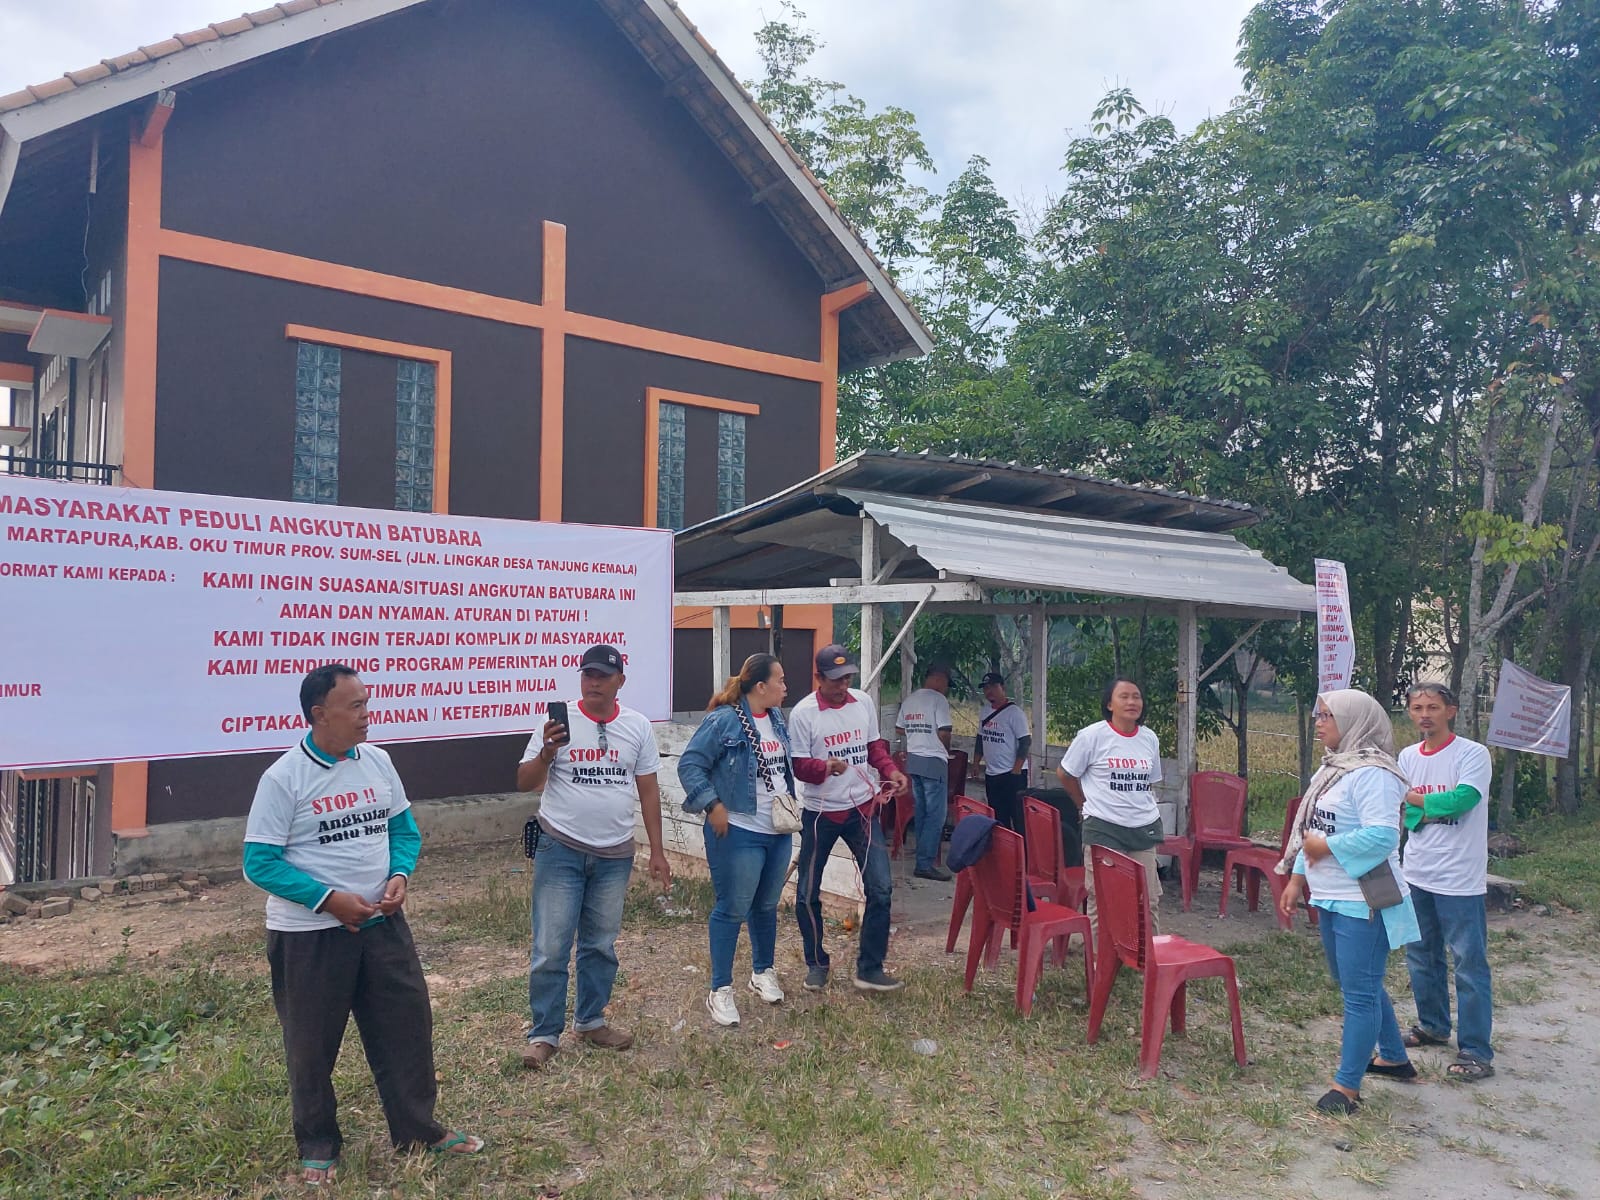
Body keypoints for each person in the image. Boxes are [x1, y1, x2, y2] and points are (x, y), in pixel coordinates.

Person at [242, 664, 482, 1185]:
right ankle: (319, 1144)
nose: (366, 715)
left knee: (406, 1026)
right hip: (310, 937)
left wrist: (399, 874)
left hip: (381, 926)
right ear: (319, 714)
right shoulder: (284, 778)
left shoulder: (378, 761)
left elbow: (404, 830)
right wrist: (328, 900)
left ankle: (418, 1131)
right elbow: (259, 862)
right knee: (312, 1044)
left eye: (367, 703)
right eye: (354, 706)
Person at [516, 644, 673, 1068]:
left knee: (600, 945)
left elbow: (648, 790)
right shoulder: (556, 723)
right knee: (550, 947)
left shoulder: (637, 726)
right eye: (588, 675)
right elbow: (524, 781)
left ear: (620, 680)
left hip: (614, 854)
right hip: (560, 847)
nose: (594, 682)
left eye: (603, 675)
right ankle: (544, 1034)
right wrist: (548, 752)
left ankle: (589, 1020)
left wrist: (657, 850)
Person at [1277, 689, 1421, 1115]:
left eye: (1327, 715)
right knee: (1357, 983)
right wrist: (1298, 877)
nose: (1318, 722)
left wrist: (1326, 849)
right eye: (1317, 714)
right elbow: (1310, 830)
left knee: (1358, 994)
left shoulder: (1374, 774)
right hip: (1332, 895)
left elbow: (1381, 836)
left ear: (1356, 721)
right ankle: (1393, 1056)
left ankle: (1347, 1087)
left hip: (1365, 899)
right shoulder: (1335, 769)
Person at [676, 653, 797, 1027]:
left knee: (766, 905)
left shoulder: (776, 719)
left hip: (776, 831)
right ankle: (720, 990)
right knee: (732, 906)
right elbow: (689, 764)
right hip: (739, 831)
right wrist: (712, 805)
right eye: (779, 680)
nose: (785, 686)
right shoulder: (724, 720)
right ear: (760, 686)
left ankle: (762, 972)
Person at [788, 643, 911, 992]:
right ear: (819, 678)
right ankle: (816, 963)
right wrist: (826, 767)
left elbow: (874, 748)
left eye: (847, 678)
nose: (842, 686)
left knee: (881, 888)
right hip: (821, 813)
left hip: (863, 809)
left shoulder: (863, 703)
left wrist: (890, 771)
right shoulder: (804, 714)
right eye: (835, 680)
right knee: (807, 892)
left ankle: (869, 968)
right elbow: (799, 766)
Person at [1398, 681, 1496, 1081]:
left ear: (1450, 711)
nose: (1425, 714)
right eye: (1418, 707)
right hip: (1418, 870)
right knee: (1421, 954)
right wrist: (1425, 807)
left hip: (1460, 876)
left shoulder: (1472, 754)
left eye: (1433, 707)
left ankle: (1475, 1049)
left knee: (1468, 963)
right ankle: (1433, 1024)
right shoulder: (1407, 756)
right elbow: (1406, 816)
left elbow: (1464, 799)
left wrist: (1422, 801)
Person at [1058, 677, 1165, 942]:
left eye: (1136, 696)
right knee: (1103, 899)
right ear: (1109, 704)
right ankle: (1099, 960)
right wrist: (1083, 804)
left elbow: (1151, 781)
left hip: (1144, 828)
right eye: (1124, 696)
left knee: (1148, 898)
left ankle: (1148, 960)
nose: (1132, 702)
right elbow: (1065, 773)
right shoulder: (1092, 736)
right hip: (1104, 828)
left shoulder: (1149, 738)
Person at [895, 664, 955, 880]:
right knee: (936, 816)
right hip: (933, 759)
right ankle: (924, 863)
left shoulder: (910, 699)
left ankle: (922, 857)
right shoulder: (939, 700)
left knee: (921, 812)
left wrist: (917, 731)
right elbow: (944, 732)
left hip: (914, 760)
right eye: (947, 684)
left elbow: (899, 728)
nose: (946, 689)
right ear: (939, 678)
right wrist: (945, 751)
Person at [972, 671, 1031, 832]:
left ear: (1002, 687)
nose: (988, 691)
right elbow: (980, 738)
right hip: (992, 773)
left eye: (992, 687)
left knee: (1017, 817)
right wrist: (976, 762)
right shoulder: (985, 711)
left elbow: (1025, 742)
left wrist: (1016, 769)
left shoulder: (1015, 713)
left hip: (1012, 773)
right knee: (998, 817)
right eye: (985, 688)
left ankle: (1022, 853)